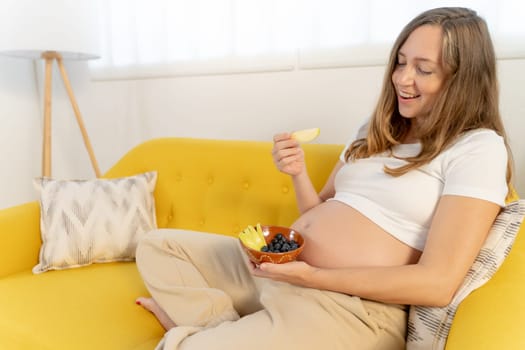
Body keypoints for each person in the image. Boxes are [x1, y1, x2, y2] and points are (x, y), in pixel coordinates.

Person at [135, 7, 513, 350]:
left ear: (463, 79)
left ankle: (203, 335)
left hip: (350, 308)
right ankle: (231, 327)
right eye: (400, 62)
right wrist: (296, 173)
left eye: (424, 69)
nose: (402, 78)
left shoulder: (478, 148)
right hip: (283, 270)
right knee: (157, 247)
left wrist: (312, 277)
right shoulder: (375, 129)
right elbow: (320, 209)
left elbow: (438, 283)